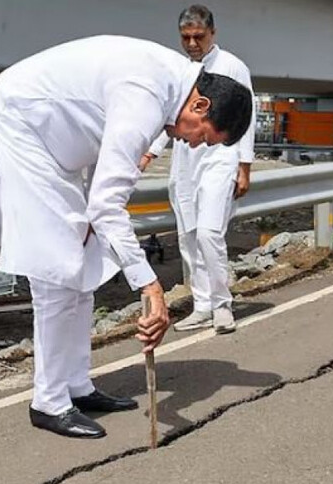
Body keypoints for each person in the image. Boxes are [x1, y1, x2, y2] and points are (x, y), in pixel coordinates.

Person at [0, 35, 252, 439]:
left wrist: (100, 230)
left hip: (57, 147)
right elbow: (106, 204)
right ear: (200, 105)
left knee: (84, 267)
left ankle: (77, 386)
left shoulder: (167, 87)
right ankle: (48, 401)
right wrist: (151, 287)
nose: (193, 143)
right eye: (204, 135)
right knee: (57, 274)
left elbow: (107, 179)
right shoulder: (146, 97)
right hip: (19, 130)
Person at [138, 5, 256, 334]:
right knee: (188, 236)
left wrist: (244, 167)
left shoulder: (233, 66)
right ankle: (201, 304)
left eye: (198, 37)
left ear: (212, 34)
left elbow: (245, 119)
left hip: (221, 156)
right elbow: (168, 116)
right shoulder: (179, 70)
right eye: (186, 37)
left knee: (209, 234)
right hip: (186, 159)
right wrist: (150, 152)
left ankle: (222, 305)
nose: (192, 44)